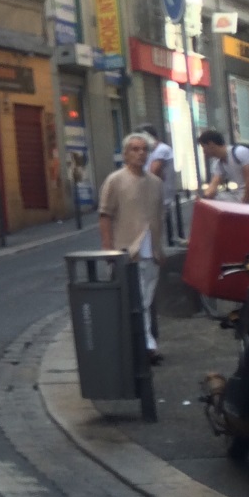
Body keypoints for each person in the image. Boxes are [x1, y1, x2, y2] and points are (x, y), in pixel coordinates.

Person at [99, 133, 165, 364]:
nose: (140, 153)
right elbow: (105, 215)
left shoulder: (156, 183)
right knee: (134, 302)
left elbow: (159, 216)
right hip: (128, 251)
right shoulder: (115, 180)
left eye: (144, 149)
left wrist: (160, 250)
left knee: (146, 302)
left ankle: (143, 345)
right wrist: (109, 250)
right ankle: (145, 347)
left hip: (151, 253)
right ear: (126, 154)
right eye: (135, 149)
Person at [136, 123, 178, 245]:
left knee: (150, 229)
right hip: (151, 196)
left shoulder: (162, 150)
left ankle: (152, 255)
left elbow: (153, 172)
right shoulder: (149, 152)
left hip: (159, 197)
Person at [199, 128, 249, 204]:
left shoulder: (240, 152)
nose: (203, 152)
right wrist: (203, 198)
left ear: (211, 144)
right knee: (215, 198)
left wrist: (245, 203)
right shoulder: (218, 163)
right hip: (239, 195)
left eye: (203, 147)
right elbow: (214, 185)